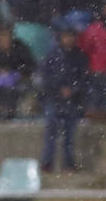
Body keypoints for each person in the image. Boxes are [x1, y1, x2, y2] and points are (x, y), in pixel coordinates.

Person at [38, 25, 90, 174]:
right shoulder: (52, 56)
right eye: (66, 36)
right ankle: (47, 163)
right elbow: (46, 78)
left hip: (72, 102)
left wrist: (73, 90)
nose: (69, 39)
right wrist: (59, 89)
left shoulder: (80, 57)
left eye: (71, 36)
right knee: (51, 134)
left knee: (69, 136)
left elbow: (84, 79)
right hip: (54, 100)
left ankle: (68, 163)